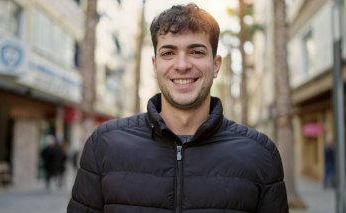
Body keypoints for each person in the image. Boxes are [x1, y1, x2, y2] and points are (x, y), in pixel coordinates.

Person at [67, 3, 288, 212]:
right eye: (168, 53)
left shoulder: (260, 154)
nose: (182, 65)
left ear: (216, 64)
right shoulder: (104, 145)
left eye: (196, 52)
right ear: (155, 65)